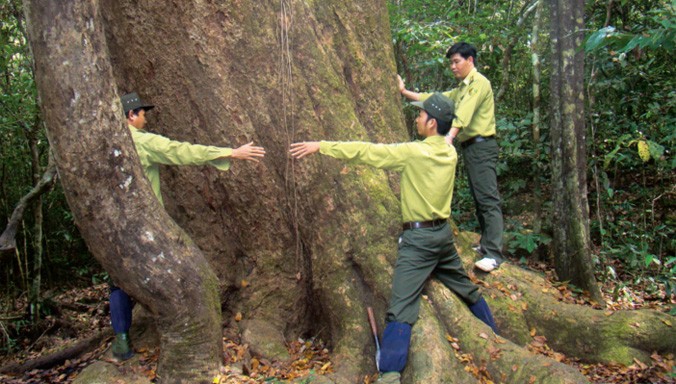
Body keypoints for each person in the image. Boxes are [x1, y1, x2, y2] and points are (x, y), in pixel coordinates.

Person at [290, 93, 498, 384]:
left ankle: (389, 372)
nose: (416, 118)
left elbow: (367, 152)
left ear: (432, 122)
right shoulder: (449, 152)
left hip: (420, 241)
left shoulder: (415, 153)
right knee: (466, 288)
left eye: (421, 114)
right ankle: (495, 338)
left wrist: (321, 146)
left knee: (401, 306)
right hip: (443, 238)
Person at [109, 92, 265, 361]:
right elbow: (182, 152)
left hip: (114, 228)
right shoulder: (142, 142)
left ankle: (121, 339)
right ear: (131, 116)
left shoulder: (106, 144)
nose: (146, 118)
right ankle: (188, 336)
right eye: (143, 114)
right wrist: (231, 152)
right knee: (177, 275)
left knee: (117, 283)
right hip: (146, 228)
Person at [398, 42, 505, 273]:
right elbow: (436, 98)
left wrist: (449, 137)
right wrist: (406, 92)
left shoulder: (479, 83)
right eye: (451, 63)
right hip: (471, 147)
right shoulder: (460, 89)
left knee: (487, 197)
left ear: (470, 61)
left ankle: (494, 254)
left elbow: (464, 113)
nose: (453, 67)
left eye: (457, 61)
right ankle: (486, 246)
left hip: (482, 145)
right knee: (479, 197)